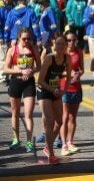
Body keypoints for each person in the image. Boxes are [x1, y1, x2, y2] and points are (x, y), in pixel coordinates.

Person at [4, 28, 41, 151]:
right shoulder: (12, 50)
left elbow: (39, 66)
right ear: (19, 38)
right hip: (15, 82)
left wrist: (31, 71)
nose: (26, 41)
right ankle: (16, 139)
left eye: (28, 38)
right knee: (15, 112)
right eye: (24, 38)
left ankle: (29, 142)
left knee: (28, 114)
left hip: (29, 83)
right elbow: (6, 69)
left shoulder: (34, 49)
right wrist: (20, 71)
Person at [36, 36, 71, 164]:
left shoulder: (67, 58)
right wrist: (54, 90)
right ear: (54, 45)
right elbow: (39, 80)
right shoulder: (49, 58)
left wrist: (64, 90)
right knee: (50, 120)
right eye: (58, 44)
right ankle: (51, 154)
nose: (60, 46)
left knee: (59, 122)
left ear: (65, 46)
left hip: (56, 91)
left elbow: (68, 77)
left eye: (63, 44)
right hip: (44, 90)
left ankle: (47, 146)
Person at [59, 32, 84, 156]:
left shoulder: (79, 52)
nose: (71, 42)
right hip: (65, 88)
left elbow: (82, 69)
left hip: (77, 87)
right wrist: (69, 74)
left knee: (73, 117)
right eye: (69, 40)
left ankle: (70, 142)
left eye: (74, 40)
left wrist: (78, 74)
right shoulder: (62, 53)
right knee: (64, 116)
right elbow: (58, 71)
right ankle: (63, 145)